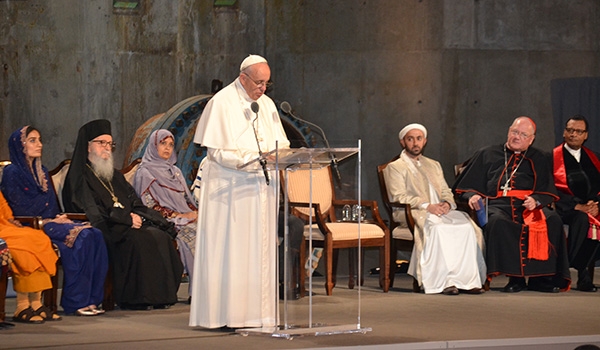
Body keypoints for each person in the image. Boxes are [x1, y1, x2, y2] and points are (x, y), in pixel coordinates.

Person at [189, 54, 290, 329]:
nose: (263, 89)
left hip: (261, 188)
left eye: (267, 83)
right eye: (259, 82)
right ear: (243, 78)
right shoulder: (221, 103)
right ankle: (228, 314)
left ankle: (258, 315)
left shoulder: (266, 104)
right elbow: (218, 151)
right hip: (230, 189)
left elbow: (281, 144)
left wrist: (281, 156)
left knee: (259, 252)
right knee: (232, 252)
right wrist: (251, 160)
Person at [62, 119, 183, 310]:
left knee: (160, 236)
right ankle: (136, 298)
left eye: (110, 144)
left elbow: (134, 201)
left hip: (126, 224)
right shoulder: (79, 177)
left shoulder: (115, 176)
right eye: (101, 143)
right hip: (105, 227)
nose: (107, 148)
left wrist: (142, 217)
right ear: (87, 146)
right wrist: (125, 219)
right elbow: (88, 209)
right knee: (140, 240)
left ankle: (160, 297)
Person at [453, 116, 571, 293]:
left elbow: (548, 189)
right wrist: (471, 195)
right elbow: (465, 185)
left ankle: (541, 279)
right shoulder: (487, 153)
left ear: (531, 139)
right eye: (515, 132)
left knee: (552, 220)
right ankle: (515, 279)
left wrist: (537, 200)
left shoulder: (539, 157)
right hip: (497, 204)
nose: (517, 137)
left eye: (523, 134)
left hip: (529, 205)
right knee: (499, 222)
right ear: (509, 131)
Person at [1, 126, 109, 316]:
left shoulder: (41, 170)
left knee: (95, 234)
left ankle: (92, 300)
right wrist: (49, 220)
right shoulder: (12, 172)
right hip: (31, 225)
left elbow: (51, 205)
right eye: (33, 140)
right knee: (81, 236)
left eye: (40, 139)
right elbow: (19, 208)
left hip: (51, 223)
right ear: (20, 145)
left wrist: (60, 217)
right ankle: (76, 302)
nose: (40, 144)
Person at [383, 123, 486, 295]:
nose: (415, 143)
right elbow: (398, 196)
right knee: (438, 229)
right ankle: (443, 282)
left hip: (441, 210)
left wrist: (447, 203)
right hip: (414, 212)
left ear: (425, 141)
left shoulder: (434, 165)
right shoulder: (395, 167)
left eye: (419, 138)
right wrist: (427, 206)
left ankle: (467, 281)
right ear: (402, 142)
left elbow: (446, 190)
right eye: (410, 139)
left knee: (467, 227)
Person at [133, 129, 197, 297]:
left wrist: (197, 213)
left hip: (186, 218)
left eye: (170, 145)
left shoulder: (175, 172)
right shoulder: (144, 172)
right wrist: (180, 216)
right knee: (195, 235)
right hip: (164, 222)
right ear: (154, 146)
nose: (167, 148)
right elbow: (149, 207)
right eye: (163, 144)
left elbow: (188, 200)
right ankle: (198, 293)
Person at [552, 115, 600, 292]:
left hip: (591, 208)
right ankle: (582, 274)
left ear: (585, 135)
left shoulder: (594, 158)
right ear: (564, 132)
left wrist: (596, 205)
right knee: (581, 218)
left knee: (588, 218)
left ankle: (581, 271)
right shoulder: (552, 158)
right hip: (563, 208)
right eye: (570, 130)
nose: (574, 135)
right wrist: (575, 205)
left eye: (579, 131)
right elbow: (550, 189)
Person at [0, 191, 59, 323]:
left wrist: (11, 221)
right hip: (2, 233)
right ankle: (22, 305)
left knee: (39, 238)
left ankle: (36, 303)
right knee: (22, 247)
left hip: (5, 227)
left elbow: (4, 210)